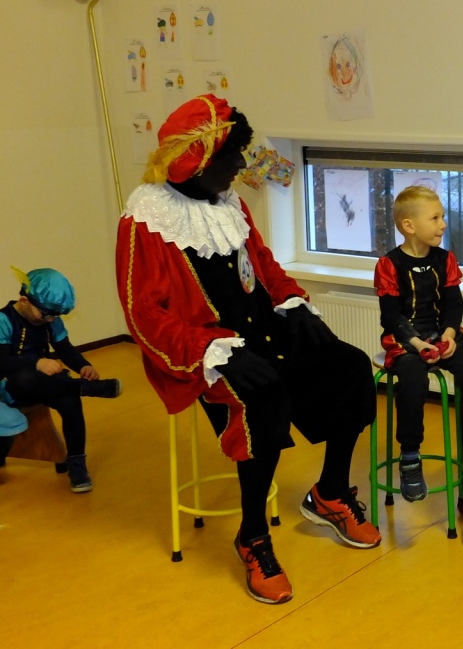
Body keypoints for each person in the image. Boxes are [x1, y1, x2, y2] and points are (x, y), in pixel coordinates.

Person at [115, 94, 380, 606]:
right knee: (264, 398)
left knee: (349, 366)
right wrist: (210, 348)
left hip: (266, 332)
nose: (242, 164)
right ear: (199, 162)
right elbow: (142, 314)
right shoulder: (145, 220)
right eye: (232, 155)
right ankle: (253, 536)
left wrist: (293, 301)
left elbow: (262, 263)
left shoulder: (228, 203)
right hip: (207, 352)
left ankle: (329, 493)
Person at [373, 185, 463, 502]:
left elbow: (454, 304)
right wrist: (417, 343)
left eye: (442, 217)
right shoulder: (389, 264)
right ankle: (410, 456)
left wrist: (449, 334)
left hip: (442, 336)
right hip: (407, 339)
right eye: (435, 218)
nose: (443, 224)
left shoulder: (445, 259)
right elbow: (390, 315)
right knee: (412, 379)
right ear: (409, 225)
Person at [0, 267, 121, 492]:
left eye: (55, 315)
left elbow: (65, 348)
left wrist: (83, 365)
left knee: (70, 402)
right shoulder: (3, 320)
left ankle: (77, 464)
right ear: (24, 301)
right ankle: (81, 387)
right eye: (46, 314)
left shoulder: (50, 320)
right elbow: (2, 362)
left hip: (48, 385)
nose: (50, 319)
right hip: (10, 386)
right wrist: (36, 363)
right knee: (27, 377)